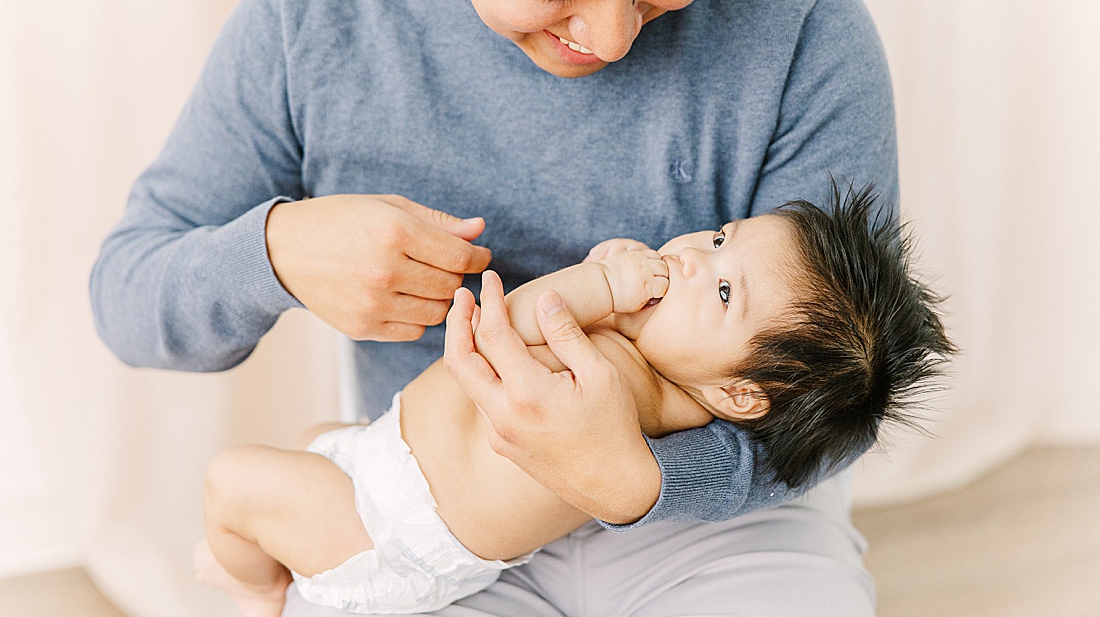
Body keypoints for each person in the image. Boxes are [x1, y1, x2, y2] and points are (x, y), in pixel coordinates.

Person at [90, 0, 905, 614]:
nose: (614, 38)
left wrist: (639, 480)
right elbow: (127, 293)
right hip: (439, 502)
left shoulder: (803, 15)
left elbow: (836, 394)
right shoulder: (315, 14)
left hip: (715, 512)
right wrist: (275, 251)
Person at [194, 189, 951, 615]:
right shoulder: (658, 372)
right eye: (723, 237)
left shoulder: (620, 390)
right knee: (311, 436)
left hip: (388, 531)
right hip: (379, 464)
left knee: (232, 480)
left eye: (723, 288)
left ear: (736, 393)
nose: (692, 256)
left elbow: (508, 330)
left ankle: (260, 587)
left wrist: (597, 285)